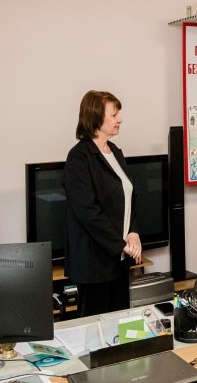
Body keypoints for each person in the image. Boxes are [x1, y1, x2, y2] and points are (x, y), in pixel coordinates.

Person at [63, 90, 143, 317]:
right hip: (94, 263)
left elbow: (130, 197)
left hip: (119, 260)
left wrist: (133, 232)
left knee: (121, 325)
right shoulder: (79, 157)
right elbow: (87, 212)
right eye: (114, 114)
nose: (120, 119)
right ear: (96, 118)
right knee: (96, 329)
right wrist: (120, 244)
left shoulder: (114, 151)